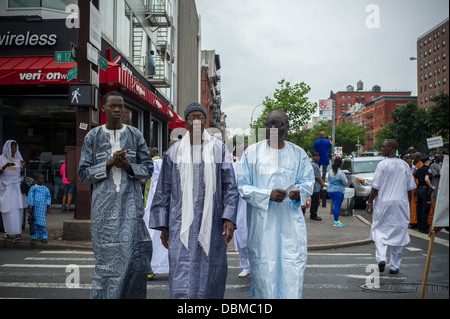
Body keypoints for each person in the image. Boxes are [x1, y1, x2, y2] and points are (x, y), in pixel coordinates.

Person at [149, 101, 238, 299]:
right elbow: (163, 190)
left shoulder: (218, 149)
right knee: (182, 271)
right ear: (186, 122)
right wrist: (163, 225)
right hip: (180, 223)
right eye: (192, 117)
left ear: (206, 122)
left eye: (200, 117)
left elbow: (230, 187)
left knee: (211, 274)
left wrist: (229, 219)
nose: (196, 121)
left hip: (213, 224)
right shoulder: (174, 152)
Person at [78, 91, 153, 299]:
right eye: (113, 106)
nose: (118, 110)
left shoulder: (135, 135)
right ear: (104, 108)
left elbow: (148, 168)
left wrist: (128, 166)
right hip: (103, 210)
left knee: (132, 260)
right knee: (106, 263)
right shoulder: (92, 137)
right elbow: (83, 174)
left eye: (121, 106)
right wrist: (109, 163)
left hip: (131, 206)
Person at [237, 109, 314, 299]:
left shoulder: (298, 154)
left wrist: (298, 194)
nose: (272, 128)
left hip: (290, 227)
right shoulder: (252, 153)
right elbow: (242, 186)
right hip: (262, 226)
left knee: (291, 272)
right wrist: (267, 195)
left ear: (287, 126)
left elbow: (307, 182)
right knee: (264, 274)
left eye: (277, 124)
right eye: (268, 124)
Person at [366, 139, 416, 274]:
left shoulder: (382, 165)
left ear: (392, 148)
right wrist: (408, 204)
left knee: (379, 231)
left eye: (384, 146)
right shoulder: (405, 165)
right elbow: (410, 189)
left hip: (384, 204)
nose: (382, 148)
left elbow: (375, 187)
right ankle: (394, 266)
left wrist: (369, 202)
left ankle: (381, 257)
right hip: (400, 204)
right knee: (399, 233)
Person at [143, 147, 168, 279]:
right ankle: (152, 267)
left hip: (158, 206)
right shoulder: (157, 164)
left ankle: (152, 267)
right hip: (157, 206)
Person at [0, 140, 27, 243]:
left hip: (16, 187)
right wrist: (5, 166)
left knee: (17, 209)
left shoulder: (18, 159)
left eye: (15, 148)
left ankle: (18, 232)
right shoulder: (1, 158)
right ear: (7, 148)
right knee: (7, 210)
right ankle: (8, 232)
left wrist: (23, 167)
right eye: (12, 148)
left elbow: (22, 174)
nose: (14, 150)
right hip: (6, 187)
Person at [232, 154, 251, 278]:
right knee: (242, 236)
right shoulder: (235, 167)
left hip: (256, 206)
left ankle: (258, 267)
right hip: (241, 206)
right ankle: (245, 266)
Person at [27, 173, 51, 244]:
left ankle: (43, 237)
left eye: (43, 179)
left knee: (42, 224)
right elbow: (30, 197)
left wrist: (48, 206)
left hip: (43, 209)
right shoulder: (33, 188)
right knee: (34, 224)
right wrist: (31, 206)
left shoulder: (46, 189)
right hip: (35, 209)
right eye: (40, 179)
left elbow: (48, 197)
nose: (42, 180)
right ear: (36, 180)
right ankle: (33, 237)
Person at [414, 155, 436, 234]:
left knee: (419, 208)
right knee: (425, 208)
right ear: (427, 161)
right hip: (425, 190)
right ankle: (424, 227)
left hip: (419, 189)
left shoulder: (419, 169)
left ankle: (420, 226)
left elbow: (415, 176)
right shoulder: (428, 169)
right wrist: (432, 186)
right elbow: (427, 179)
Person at [327, 157, 348, 227]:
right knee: (337, 206)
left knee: (335, 205)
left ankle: (336, 220)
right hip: (338, 191)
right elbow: (345, 182)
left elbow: (329, 180)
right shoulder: (341, 172)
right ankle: (336, 221)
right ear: (341, 164)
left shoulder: (330, 171)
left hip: (330, 190)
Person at [309, 152, 324, 221]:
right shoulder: (314, 165)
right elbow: (317, 177)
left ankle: (313, 214)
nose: (318, 158)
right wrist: (322, 183)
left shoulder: (314, 164)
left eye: (318, 156)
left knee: (315, 201)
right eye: (316, 156)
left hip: (315, 186)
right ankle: (313, 214)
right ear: (313, 157)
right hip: (315, 186)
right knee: (315, 201)